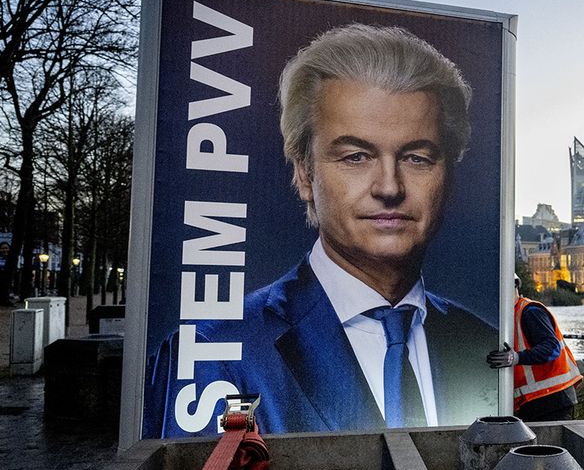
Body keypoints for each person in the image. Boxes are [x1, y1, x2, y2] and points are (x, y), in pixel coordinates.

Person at [146, 24, 497, 437]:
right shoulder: (214, 348)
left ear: (449, 174)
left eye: (417, 158)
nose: (389, 187)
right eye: (355, 156)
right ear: (304, 172)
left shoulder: (481, 342)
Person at [487, 276, 582, 421]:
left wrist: (516, 358)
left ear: (515, 286)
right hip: (536, 401)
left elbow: (552, 348)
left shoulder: (530, 311)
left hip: (552, 399)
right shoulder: (509, 316)